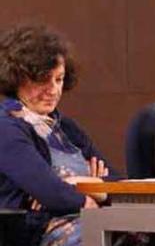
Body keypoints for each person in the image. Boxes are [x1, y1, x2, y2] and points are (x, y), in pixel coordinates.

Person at [0, 25, 116, 246]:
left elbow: (118, 183)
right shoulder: (6, 127)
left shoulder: (67, 128)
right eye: (43, 80)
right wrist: (87, 197)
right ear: (17, 78)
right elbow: (49, 191)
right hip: (41, 233)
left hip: (91, 221)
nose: (53, 90)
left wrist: (78, 182)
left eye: (59, 79)